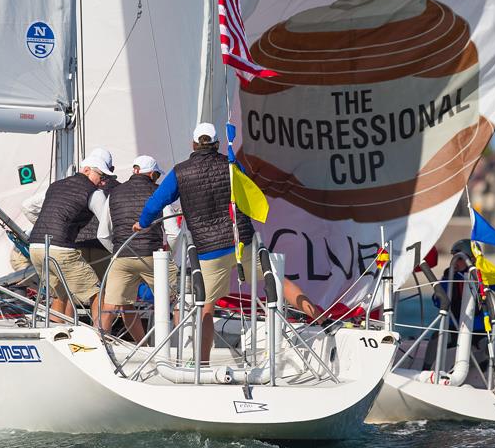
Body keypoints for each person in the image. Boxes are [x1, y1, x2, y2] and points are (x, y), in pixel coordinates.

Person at [133, 123, 322, 363]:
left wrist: (142, 222)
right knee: (277, 279)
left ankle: (201, 363)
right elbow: (248, 194)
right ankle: (319, 319)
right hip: (241, 241)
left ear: (193, 144)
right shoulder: (232, 165)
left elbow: (154, 204)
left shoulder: (181, 172)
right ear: (217, 144)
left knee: (207, 307)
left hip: (209, 249)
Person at [28, 148, 115, 324]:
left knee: (59, 295)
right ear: (86, 170)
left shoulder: (55, 186)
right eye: (101, 176)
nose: (103, 182)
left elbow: (27, 206)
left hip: (35, 247)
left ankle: (55, 336)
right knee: (97, 293)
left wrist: (46, 227)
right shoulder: (94, 193)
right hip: (61, 250)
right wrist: (116, 250)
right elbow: (105, 228)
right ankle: (102, 338)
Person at [97, 155, 177, 341]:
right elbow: (173, 232)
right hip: (152, 257)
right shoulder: (158, 192)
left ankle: (103, 347)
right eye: (156, 174)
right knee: (178, 300)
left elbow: (103, 234)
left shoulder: (113, 193)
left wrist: (118, 251)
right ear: (151, 174)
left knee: (112, 306)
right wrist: (169, 255)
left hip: (121, 257)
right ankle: (179, 350)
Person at [423, 238, 495, 370]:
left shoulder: (483, 276)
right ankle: (426, 370)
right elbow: (439, 300)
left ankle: (482, 372)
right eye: (454, 257)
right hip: (454, 327)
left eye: (460, 258)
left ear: (472, 259)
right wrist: (439, 296)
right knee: (436, 339)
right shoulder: (449, 276)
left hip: (478, 328)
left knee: (483, 346)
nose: (455, 261)